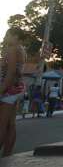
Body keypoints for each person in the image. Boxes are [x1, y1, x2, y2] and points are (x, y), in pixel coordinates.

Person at [0, 28, 26, 157]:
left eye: (8, 35)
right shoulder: (21, 49)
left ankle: (6, 153)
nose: (5, 37)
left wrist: (2, 90)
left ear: (15, 36)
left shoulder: (12, 50)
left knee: (2, 124)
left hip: (9, 89)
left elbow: (10, 73)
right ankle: (7, 154)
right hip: (17, 88)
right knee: (11, 124)